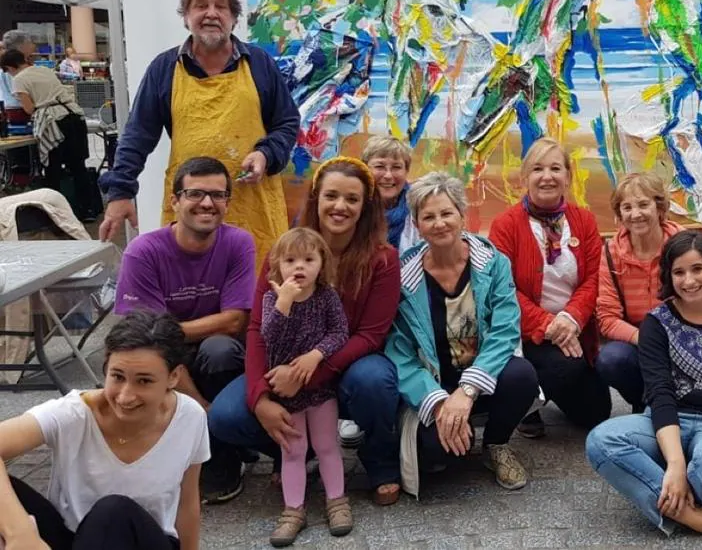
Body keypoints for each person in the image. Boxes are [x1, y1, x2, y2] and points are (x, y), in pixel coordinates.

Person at [209, 157, 404, 507]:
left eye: (352, 199)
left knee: (374, 381)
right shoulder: (282, 253)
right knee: (226, 417)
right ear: (316, 198)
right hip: (284, 364)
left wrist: (307, 373)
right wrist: (260, 397)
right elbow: (257, 329)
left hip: (346, 365)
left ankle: (380, 460)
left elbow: (372, 335)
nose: (340, 206)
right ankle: (299, 451)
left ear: (365, 206)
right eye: (331, 196)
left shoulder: (382, 259)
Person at [98, 0, 299, 273]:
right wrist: (121, 192)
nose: (211, 13)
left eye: (221, 6)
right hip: (189, 207)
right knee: (188, 288)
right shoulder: (164, 68)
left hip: (251, 205)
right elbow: (138, 135)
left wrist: (266, 154)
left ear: (233, 17)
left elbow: (286, 122)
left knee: (255, 293)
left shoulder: (259, 64)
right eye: (200, 6)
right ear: (186, 17)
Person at [587, 232, 702, 546]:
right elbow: (660, 394)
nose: (689, 280)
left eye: (697, 269)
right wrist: (676, 463)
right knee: (601, 441)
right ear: (668, 276)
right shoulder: (656, 323)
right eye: (678, 272)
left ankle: (665, 483)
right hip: (668, 420)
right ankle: (699, 519)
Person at [0, 310, 209, 550]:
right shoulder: (74, 413)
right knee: (7, 495)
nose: (125, 396)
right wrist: (20, 532)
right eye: (118, 377)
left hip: (142, 541)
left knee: (112, 512)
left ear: (173, 377)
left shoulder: (190, 417)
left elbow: (188, 501)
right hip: (76, 538)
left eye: (144, 381)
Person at [113, 156, 255, 503]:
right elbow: (146, 337)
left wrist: (170, 330)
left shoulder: (239, 243)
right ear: (174, 201)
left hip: (214, 353)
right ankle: (207, 436)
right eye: (195, 193)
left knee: (220, 349)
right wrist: (201, 407)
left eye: (217, 195)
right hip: (160, 356)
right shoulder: (143, 252)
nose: (207, 203)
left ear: (226, 203)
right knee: (146, 361)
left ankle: (224, 455)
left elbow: (236, 320)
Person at [386, 172, 539, 493]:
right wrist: (439, 403)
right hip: (436, 382)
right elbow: (398, 351)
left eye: (446, 213)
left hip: (483, 375)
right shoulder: (403, 277)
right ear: (416, 223)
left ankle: (496, 444)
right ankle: (453, 429)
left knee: (522, 374)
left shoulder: (493, 263)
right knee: (437, 459)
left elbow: (505, 330)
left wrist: (467, 391)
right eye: (428, 216)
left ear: (461, 215)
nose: (439, 223)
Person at [597, 173, 702, 411]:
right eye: (627, 207)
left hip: (685, 332)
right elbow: (607, 317)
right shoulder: (610, 253)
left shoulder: (684, 241)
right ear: (619, 213)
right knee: (612, 359)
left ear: (659, 206)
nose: (636, 214)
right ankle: (643, 402)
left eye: (644, 204)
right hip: (640, 337)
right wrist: (646, 339)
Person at [488, 138, 611, 437]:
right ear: (524, 177)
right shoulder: (505, 225)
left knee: (596, 413)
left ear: (567, 176)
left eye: (556, 168)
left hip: (573, 330)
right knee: (567, 366)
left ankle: (543, 393)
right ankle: (521, 402)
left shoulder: (583, 220)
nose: (547, 176)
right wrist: (547, 325)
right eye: (538, 169)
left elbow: (594, 278)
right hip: (527, 335)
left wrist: (570, 318)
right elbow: (502, 289)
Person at [258, 228, 352, 546]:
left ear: (321, 263)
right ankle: (293, 510)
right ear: (277, 265)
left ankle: (337, 500)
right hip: (288, 394)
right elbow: (269, 336)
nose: (299, 267)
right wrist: (284, 304)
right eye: (291, 260)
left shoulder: (327, 296)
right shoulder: (272, 298)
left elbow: (340, 332)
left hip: (320, 389)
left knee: (327, 445)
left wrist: (316, 354)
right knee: (294, 451)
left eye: (308, 259)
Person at [0, 48, 95, 221]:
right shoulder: (44, 70)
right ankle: (87, 210)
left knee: (53, 171)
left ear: (10, 67)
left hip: (54, 123)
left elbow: (28, 108)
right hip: (74, 116)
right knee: (78, 167)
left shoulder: (19, 80)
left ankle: (57, 216)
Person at [362, 135, 418, 254]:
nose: (388, 175)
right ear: (365, 169)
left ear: (406, 171)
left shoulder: (419, 206)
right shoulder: (353, 206)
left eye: (396, 167)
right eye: (379, 166)